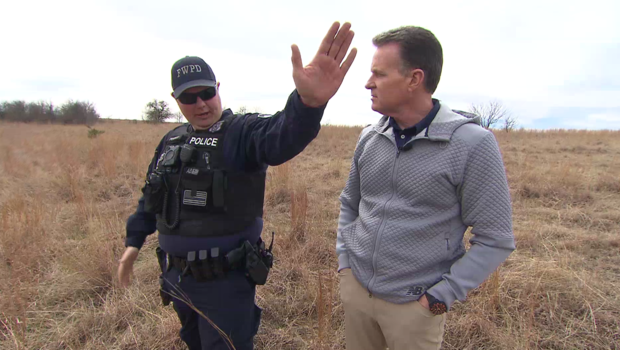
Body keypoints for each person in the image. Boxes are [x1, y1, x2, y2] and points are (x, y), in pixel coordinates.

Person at [117, 21, 357, 350]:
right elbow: (151, 196)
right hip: (176, 280)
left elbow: (280, 136)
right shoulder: (171, 140)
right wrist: (134, 241)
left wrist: (307, 104)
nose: (201, 104)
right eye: (189, 97)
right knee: (194, 342)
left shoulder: (241, 134)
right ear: (175, 100)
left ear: (217, 87)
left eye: (206, 93)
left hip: (224, 285)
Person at [336, 25, 515, 350]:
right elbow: (351, 203)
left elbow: (496, 238)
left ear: (414, 79)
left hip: (415, 307)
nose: (368, 83)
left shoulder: (471, 144)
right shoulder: (370, 137)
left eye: (379, 74)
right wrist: (345, 266)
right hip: (357, 292)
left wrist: (439, 297)